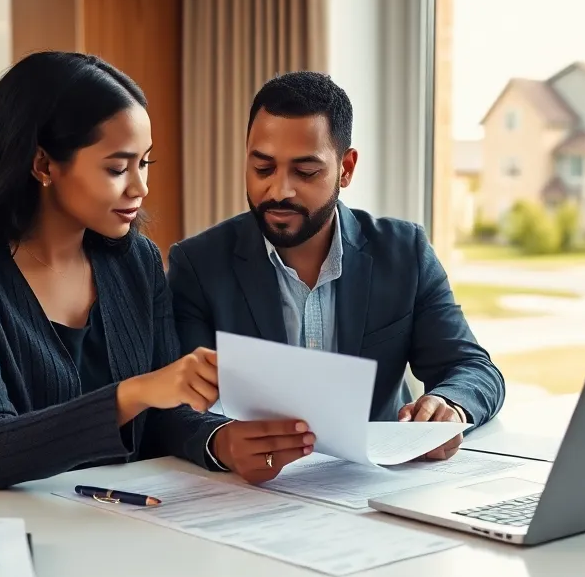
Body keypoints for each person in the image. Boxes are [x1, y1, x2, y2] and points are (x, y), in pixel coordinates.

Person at [0, 52, 316, 491]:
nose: (140, 187)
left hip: (112, 520)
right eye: (118, 168)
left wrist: (221, 441)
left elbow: (163, 418)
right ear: (44, 164)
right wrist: (134, 392)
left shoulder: (137, 261)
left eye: (144, 163)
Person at [167, 71, 505, 462]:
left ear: (346, 168)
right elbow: (174, 405)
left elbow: (472, 368)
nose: (279, 190)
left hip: (376, 488)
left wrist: (449, 404)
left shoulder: (404, 253)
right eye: (262, 168)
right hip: (253, 493)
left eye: (305, 172)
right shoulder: (198, 265)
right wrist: (221, 441)